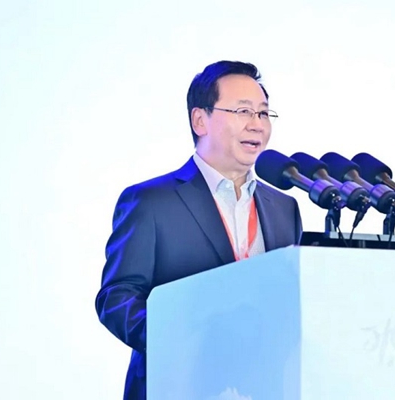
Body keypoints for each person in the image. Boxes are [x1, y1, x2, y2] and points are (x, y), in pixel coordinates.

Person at [95, 60, 303, 400]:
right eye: (243, 111)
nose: (257, 124)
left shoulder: (284, 208)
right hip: (177, 387)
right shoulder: (151, 202)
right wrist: (182, 345)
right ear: (200, 120)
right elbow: (117, 297)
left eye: (264, 113)